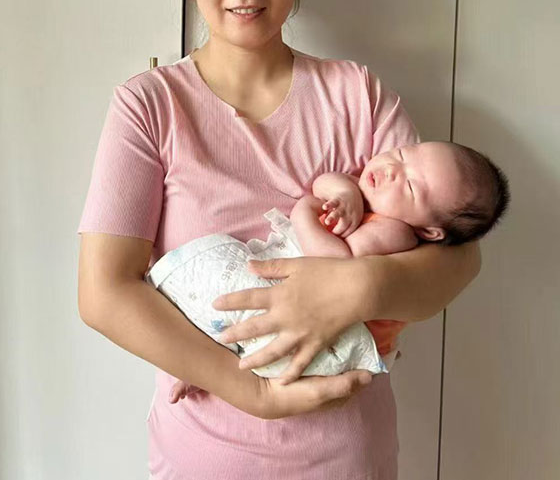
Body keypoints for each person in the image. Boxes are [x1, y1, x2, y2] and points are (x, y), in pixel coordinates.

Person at [77, 0, 482, 480]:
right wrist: (255, 395)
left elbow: (457, 260)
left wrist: (353, 288)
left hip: (346, 462)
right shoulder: (149, 106)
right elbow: (103, 293)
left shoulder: (356, 94)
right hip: (204, 465)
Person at [164, 139, 509, 402]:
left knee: (240, 297)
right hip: (306, 308)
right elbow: (325, 183)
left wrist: (304, 213)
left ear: (430, 232)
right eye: (403, 154)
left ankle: (216, 366)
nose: (392, 169)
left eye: (409, 187)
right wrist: (346, 193)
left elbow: (332, 268)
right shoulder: (367, 190)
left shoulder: (395, 233)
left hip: (341, 341)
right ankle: (207, 365)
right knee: (244, 308)